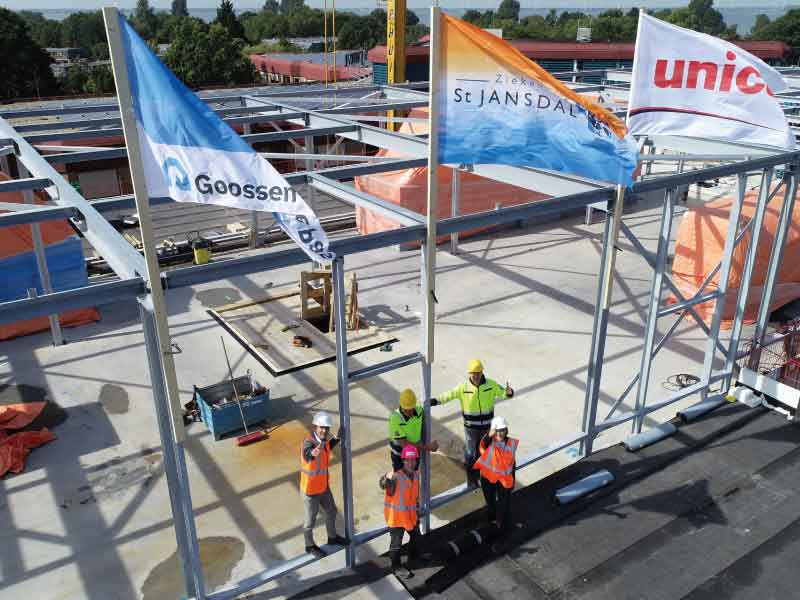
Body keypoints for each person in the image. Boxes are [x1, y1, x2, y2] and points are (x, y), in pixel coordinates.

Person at [432, 359, 514, 486]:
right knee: (471, 454)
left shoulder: (491, 385)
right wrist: (435, 401)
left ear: (482, 372)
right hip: (471, 428)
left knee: (486, 454)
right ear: (469, 373)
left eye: (478, 372)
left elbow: (503, 393)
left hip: (488, 428)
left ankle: (485, 478)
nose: (475, 375)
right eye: (473, 373)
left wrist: (509, 393)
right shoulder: (463, 388)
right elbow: (448, 395)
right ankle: (471, 480)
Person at [300, 411, 348, 557]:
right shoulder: (308, 442)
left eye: (326, 428)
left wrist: (338, 437)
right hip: (310, 491)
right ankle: (309, 545)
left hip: (323, 488)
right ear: (315, 427)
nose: (324, 430)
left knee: (332, 511)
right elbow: (307, 454)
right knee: (310, 521)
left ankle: (332, 537)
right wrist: (313, 453)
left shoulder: (324, 442)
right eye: (322, 427)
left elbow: (328, 447)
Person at [379, 444, 431, 576]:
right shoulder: (396, 477)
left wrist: (417, 508)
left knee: (416, 537)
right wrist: (386, 478)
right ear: (403, 461)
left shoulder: (415, 474)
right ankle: (396, 567)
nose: (411, 462)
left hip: (410, 516)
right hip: (396, 518)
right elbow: (384, 484)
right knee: (396, 544)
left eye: (413, 459)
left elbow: (414, 496)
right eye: (408, 460)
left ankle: (415, 556)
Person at [473, 416, 518, 540]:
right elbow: (482, 445)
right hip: (488, 479)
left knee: (504, 508)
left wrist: (512, 479)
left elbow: (512, 463)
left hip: (504, 482)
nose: (500, 433)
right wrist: (489, 434)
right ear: (493, 431)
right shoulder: (487, 443)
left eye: (503, 430)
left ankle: (502, 531)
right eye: (498, 430)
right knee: (491, 504)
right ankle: (491, 524)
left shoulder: (510, 444)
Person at [389, 389, 439, 471]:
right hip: (400, 456)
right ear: (401, 406)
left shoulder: (419, 411)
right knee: (402, 480)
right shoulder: (395, 418)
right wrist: (427, 447)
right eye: (406, 410)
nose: (409, 413)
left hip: (414, 453)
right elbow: (404, 444)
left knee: (414, 477)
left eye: (411, 409)